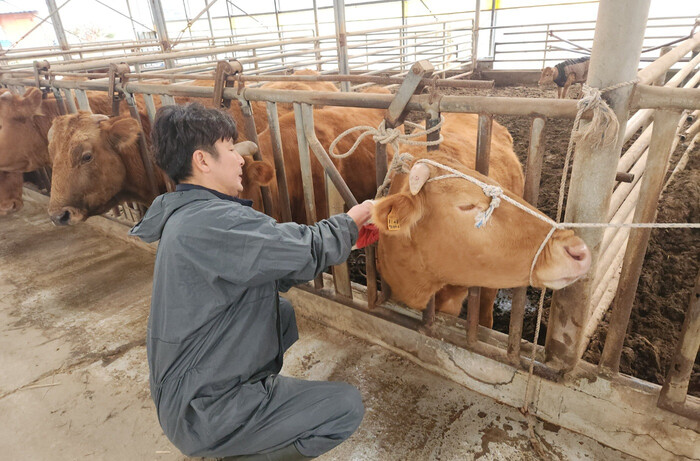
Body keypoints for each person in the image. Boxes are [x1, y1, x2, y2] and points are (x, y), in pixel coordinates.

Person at [129, 103, 372, 460]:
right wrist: (350, 221)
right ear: (203, 160)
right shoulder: (214, 221)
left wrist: (347, 239)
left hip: (186, 393)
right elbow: (306, 247)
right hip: (203, 410)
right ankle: (239, 442)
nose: (240, 160)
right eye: (230, 148)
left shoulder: (187, 213)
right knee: (345, 407)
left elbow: (276, 264)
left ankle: (251, 413)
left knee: (280, 312)